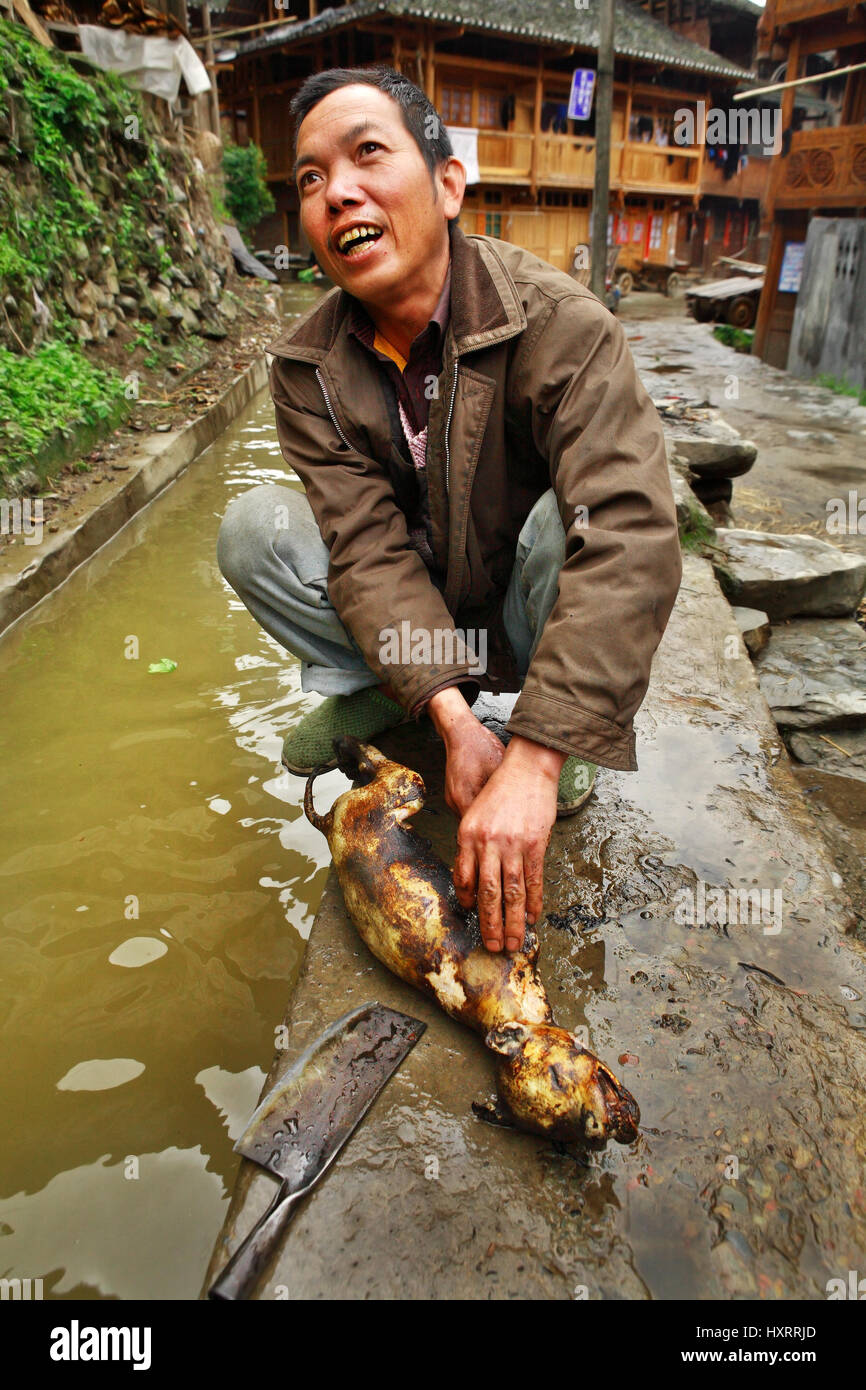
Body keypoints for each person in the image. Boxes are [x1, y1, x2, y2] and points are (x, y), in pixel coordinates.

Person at [217, 67, 681, 957]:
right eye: (311, 178)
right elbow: (363, 549)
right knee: (253, 532)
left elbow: (632, 531)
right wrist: (455, 721)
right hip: (423, 626)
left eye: (366, 155)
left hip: (517, 611)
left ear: (448, 185)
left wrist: (533, 757)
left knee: (572, 518)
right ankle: (387, 697)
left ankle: (561, 737)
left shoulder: (562, 325)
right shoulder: (306, 367)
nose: (336, 191)